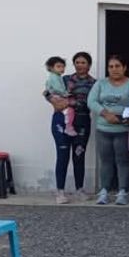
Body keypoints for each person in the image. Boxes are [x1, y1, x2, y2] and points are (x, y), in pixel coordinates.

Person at [45, 52, 96, 204]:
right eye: (77, 62)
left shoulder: (94, 83)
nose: (80, 65)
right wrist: (54, 102)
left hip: (82, 122)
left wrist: (72, 103)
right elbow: (47, 92)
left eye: (83, 62)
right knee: (62, 155)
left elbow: (91, 102)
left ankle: (79, 189)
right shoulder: (63, 79)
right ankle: (60, 192)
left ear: (89, 65)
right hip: (61, 121)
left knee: (79, 156)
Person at [87, 55, 129, 205]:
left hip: (123, 129)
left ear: (124, 67)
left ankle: (123, 191)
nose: (114, 69)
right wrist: (106, 114)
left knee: (123, 161)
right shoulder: (100, 84)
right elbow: (91, 101)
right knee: (106, 161)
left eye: (118, 66)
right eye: (111, 66)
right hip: (103, 128)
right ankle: (104, 191)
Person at [44, 56, 77, 137]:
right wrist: (65, 94)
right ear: (51, 68)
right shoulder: (54, 77)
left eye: (63, 66)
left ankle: (68, 126)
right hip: (57, 97)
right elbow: (57, 88)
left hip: (58, 96)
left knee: (68, 110)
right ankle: (68, 127)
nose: (61, 69)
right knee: (69, 111)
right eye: (58, 66)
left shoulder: (58, 77)